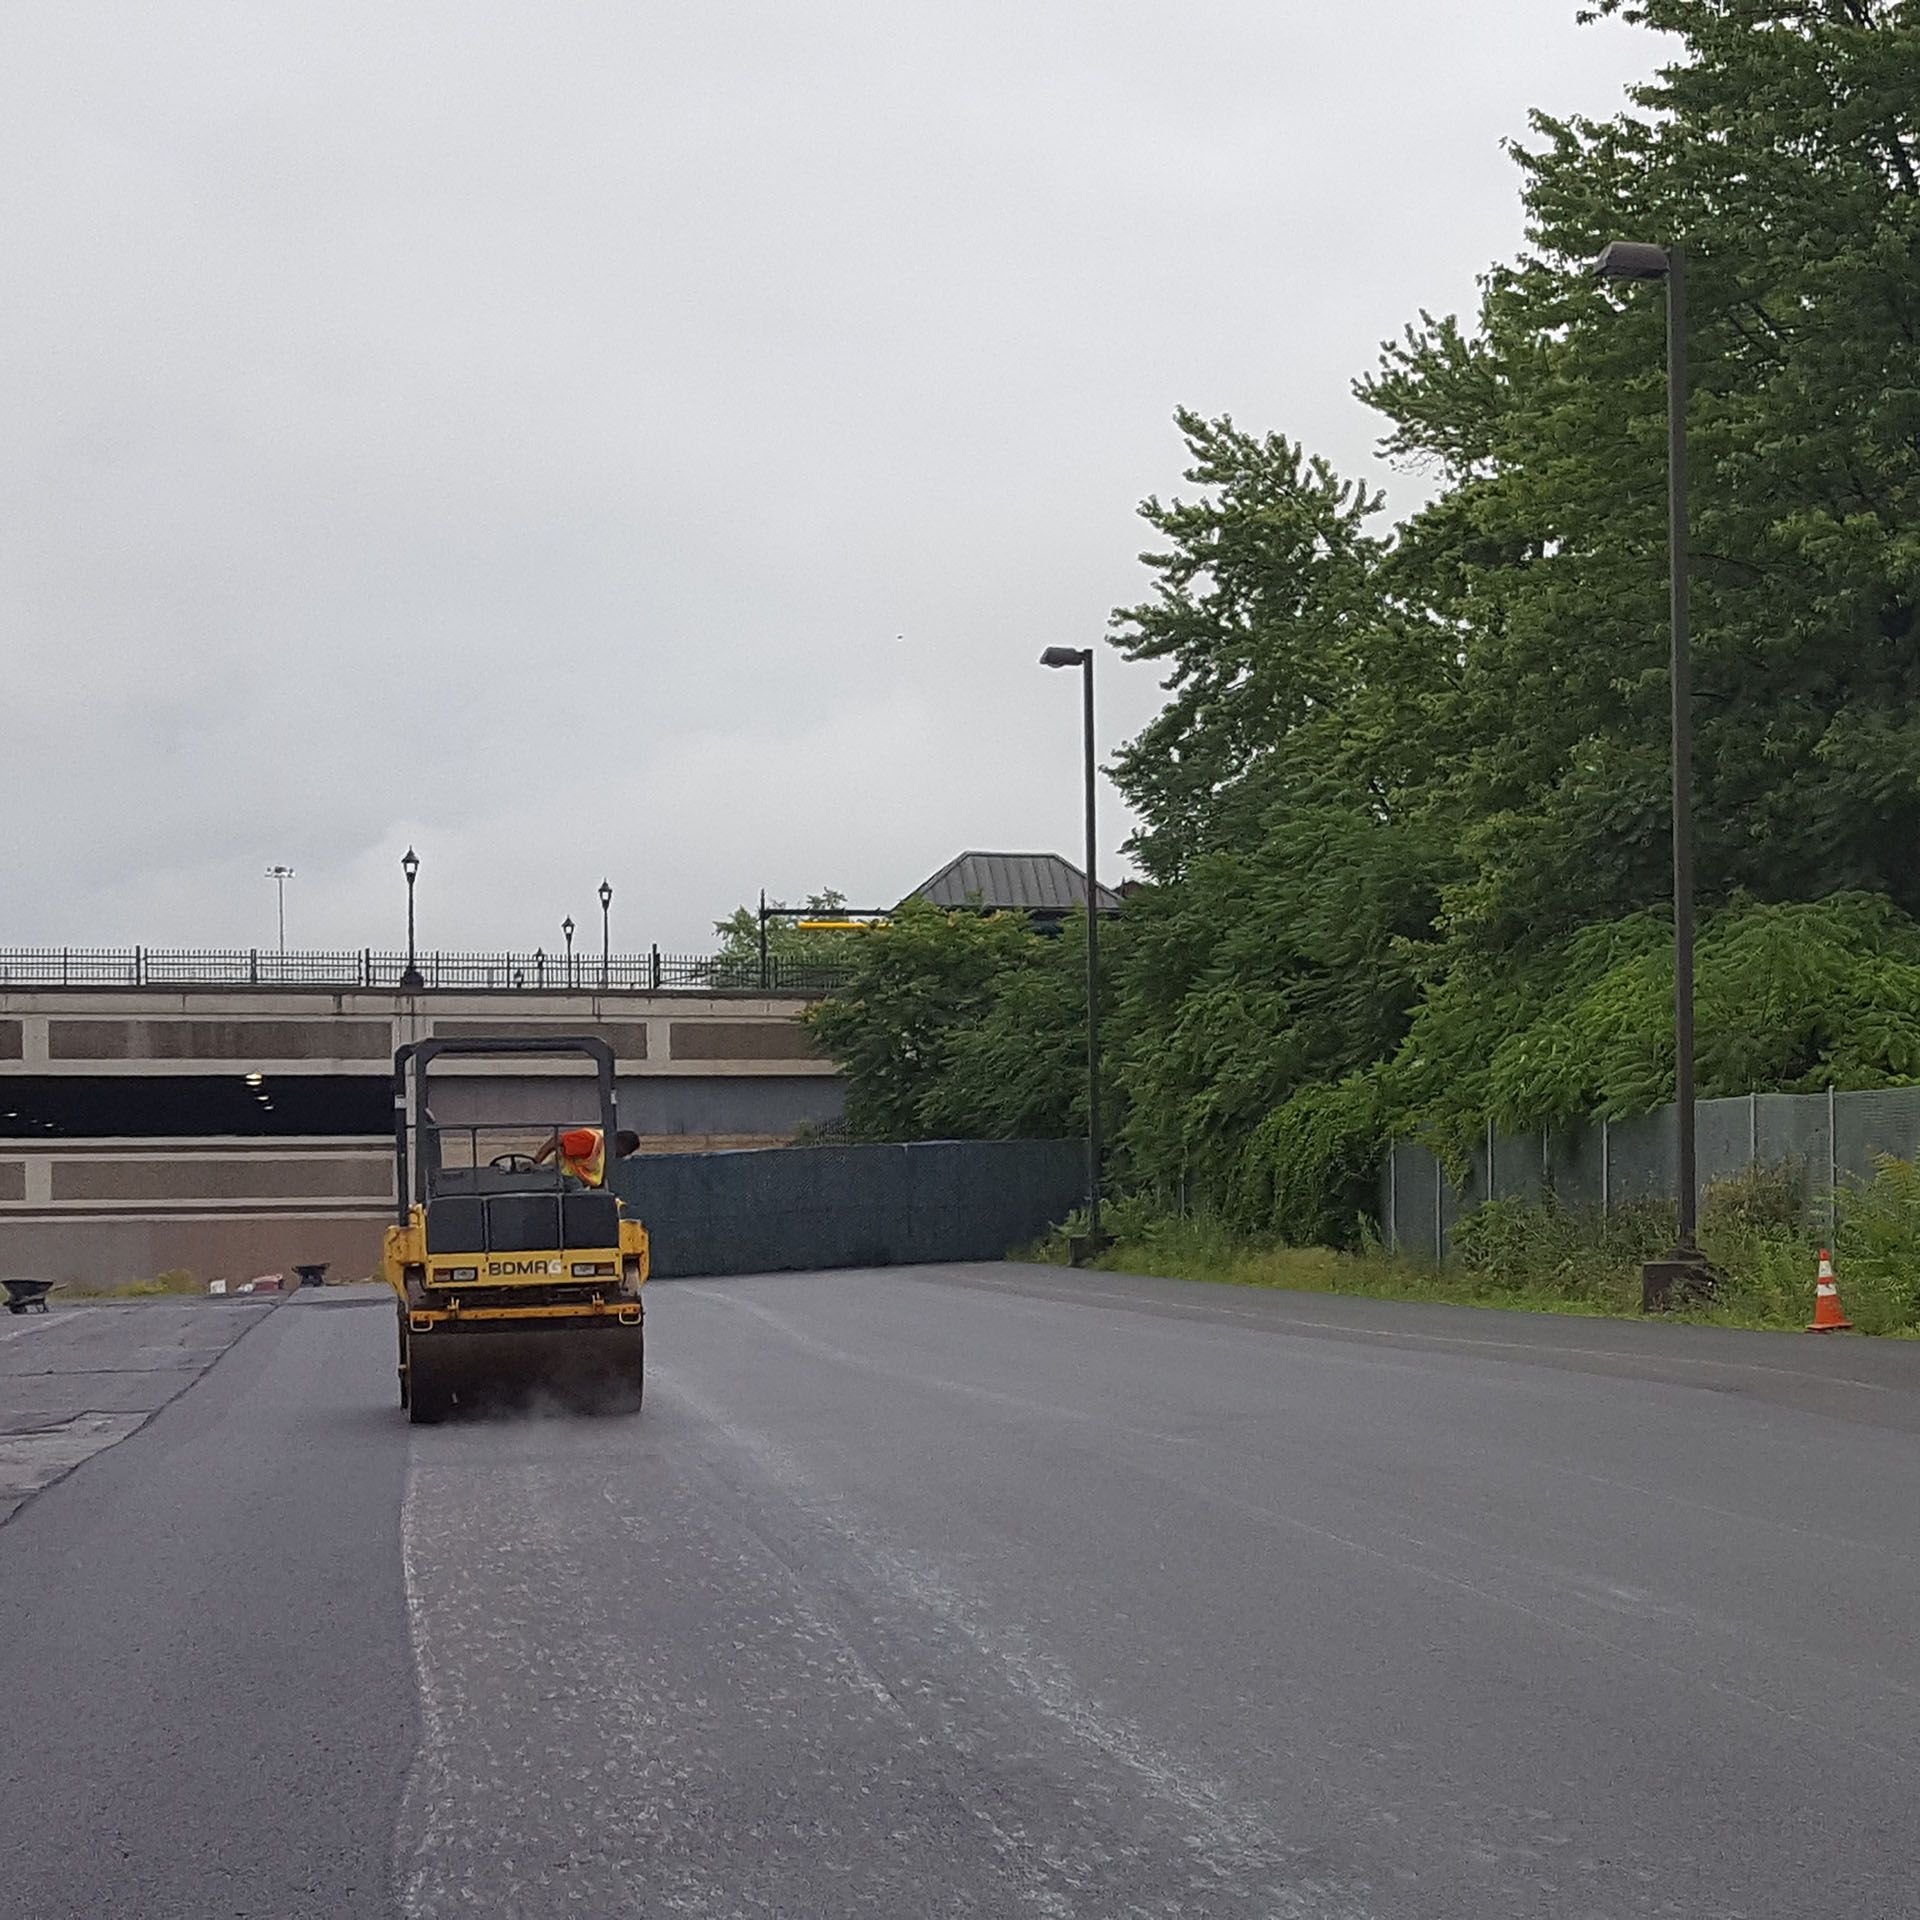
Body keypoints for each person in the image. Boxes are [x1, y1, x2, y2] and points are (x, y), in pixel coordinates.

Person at [532, 1126, 640, 1188]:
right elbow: (556, 1140)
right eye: (624, 1152)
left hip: (578, 1182)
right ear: (621, 1144)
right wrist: (536, 1163)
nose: (621, 1156)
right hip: (563, 1178)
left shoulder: (605, 1152)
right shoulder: (592, 1140)